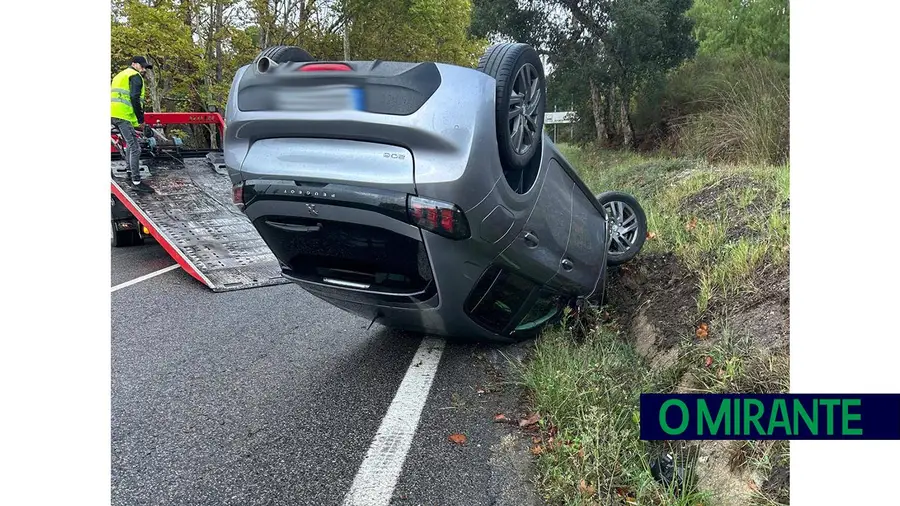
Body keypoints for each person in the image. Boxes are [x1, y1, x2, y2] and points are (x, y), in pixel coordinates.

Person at [111, 56, 153, 193]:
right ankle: (136, 181)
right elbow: (134, 98)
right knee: (135, 147)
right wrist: (140, 121)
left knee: (129, 143)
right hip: (123, 116)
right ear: (134, 64)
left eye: (145, 67)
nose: (143, 69)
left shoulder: (120, 75)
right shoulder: (135, 76)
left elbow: (121, 98)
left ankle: (129, 170)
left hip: (113, 114)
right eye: (142, 66)